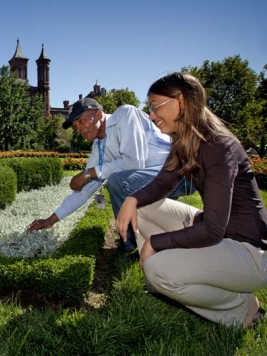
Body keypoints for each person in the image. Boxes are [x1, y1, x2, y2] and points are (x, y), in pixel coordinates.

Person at [115, 72, 267, 328]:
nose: (151, 115)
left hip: (250, 252)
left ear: (181, 102)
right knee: (139, 209)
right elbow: (163, 183)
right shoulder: (184, 140)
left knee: (157, 269)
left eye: (155, 107)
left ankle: (243, 309)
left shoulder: (220, 146)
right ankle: (164, 278)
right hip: (218, 232)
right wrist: (131, 198)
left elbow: (213, 230)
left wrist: (155, 243)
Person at [26, 97, 189, 254]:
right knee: (118, 182)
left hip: (181, 172)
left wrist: (89, 173)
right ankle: (156, 234)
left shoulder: (125, 114)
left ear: (98, 114)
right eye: (76, 127)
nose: (79, 129)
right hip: (156, 180)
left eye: (81, 121)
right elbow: (84, 190)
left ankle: (130, 246)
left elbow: (134, 162)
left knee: (117, 182)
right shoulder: (99, 146)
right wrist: (50, 220)